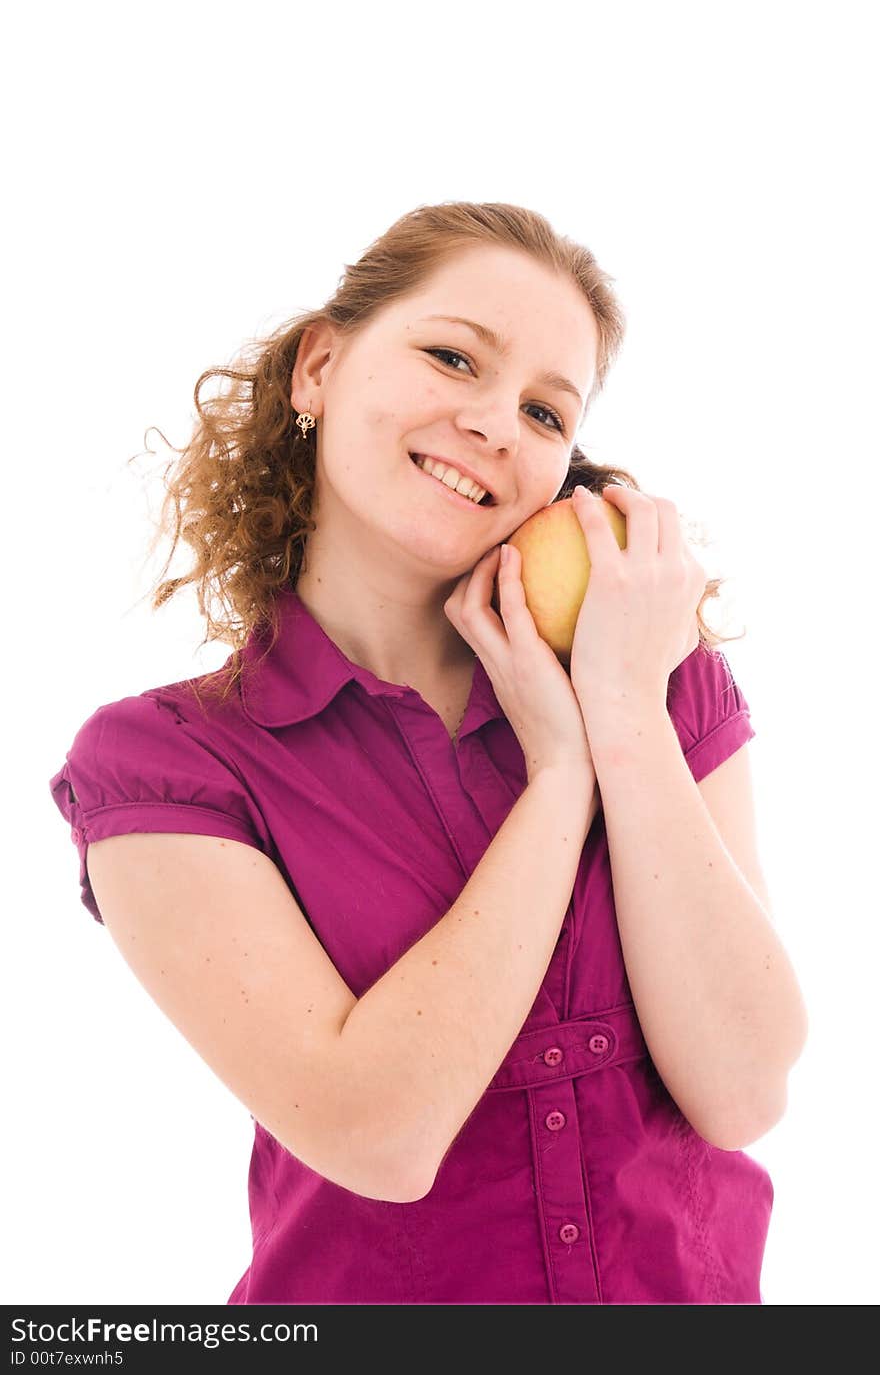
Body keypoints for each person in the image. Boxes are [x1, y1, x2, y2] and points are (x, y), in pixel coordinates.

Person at [48, 200, 808, 1305]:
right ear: (319, 367)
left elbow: (744, 1090)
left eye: (547, 413)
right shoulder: (169, 765)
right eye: (453, 356)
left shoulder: (654, 679)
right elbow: (379, 1133)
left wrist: (622, 718)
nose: (498, 424)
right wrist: (557, 779)